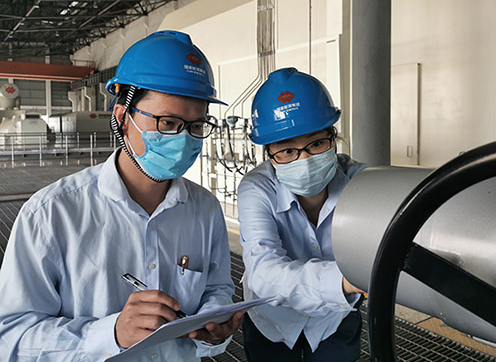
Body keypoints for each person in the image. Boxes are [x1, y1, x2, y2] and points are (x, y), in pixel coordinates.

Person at [0, 30, 243, 361]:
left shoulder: (204, 209)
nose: (184, 139)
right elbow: (11, 337)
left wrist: (213, 324)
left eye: (196, 126)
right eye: (168, 122)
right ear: (122, 118)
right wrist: (110, 334)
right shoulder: (51, 214)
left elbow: (216, 287)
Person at [238, 67, 368, 361]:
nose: (305, 159)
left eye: (316, 144)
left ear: (332, 138)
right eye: (287, 151)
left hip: (335, 317)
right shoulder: (257, 189)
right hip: (272, 320)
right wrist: (342, 283)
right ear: (269, 154)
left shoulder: (361, 182)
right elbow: (264, 272)